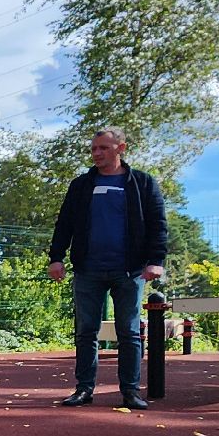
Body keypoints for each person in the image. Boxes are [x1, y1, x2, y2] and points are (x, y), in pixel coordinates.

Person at [46, 127, 168, 410]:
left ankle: (130, 391)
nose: (97, 153)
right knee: (86, 331)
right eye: (94, 149)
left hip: (129, 271)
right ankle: (84, 389)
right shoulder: (81, 185)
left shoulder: (142, 183)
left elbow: (157, 225)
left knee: (129, 331)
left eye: (103, 148)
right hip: (88, 269)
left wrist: (155, 261)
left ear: (121, 148)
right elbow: (64, 224)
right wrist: (56, 257)